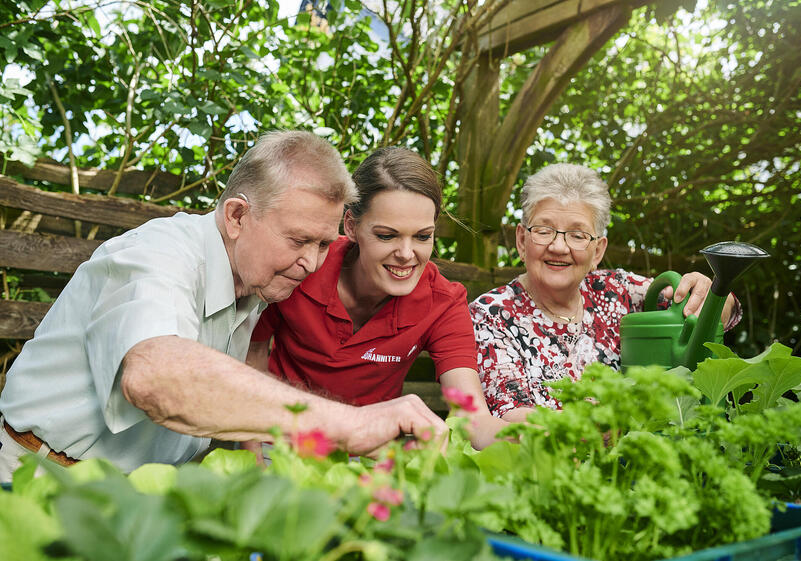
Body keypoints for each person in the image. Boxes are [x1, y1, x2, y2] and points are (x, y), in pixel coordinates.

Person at [0, 131, 447, 483]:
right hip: (40, 484)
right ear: (236, 216)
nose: (312, 263)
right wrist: (351, 423)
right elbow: (157, 378)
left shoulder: (254, 281)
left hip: (139, 497)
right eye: (298, 240)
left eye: (324, 244)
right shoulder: (157, 254)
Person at [245, 147, 507, 452]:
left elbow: (473, 420)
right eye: (387, 235)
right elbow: (252, 365)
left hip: (369, 458)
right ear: (351, 226)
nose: (407, 254)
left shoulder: (443, 302)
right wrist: (256, 466)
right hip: (278, 442)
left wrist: (543, 434)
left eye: (422, 236)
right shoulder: (302, 266)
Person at [469, 163, 740, 422]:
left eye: (577, 235)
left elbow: (725, 310)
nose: (559, 247)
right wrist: (607, 420)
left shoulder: (616, 291)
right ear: (521, 240)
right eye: (544, 230)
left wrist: (709, 295)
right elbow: (510, 413)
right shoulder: (491, 314)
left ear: (598, 250)